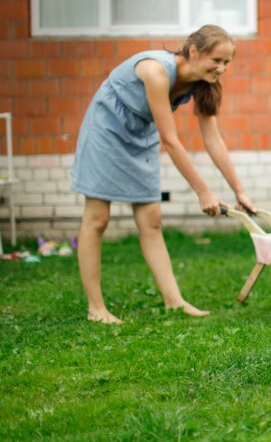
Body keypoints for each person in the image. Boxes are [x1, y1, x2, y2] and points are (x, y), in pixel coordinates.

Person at [71, 24, 255, 324]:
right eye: (216, 60)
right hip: (106, 130)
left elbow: (214, 140)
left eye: (226, 63)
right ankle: (96, 309)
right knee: (97, 220)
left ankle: (174, 301)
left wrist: (239, 191)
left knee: (151, 221)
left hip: (140, 134)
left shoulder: (203, 83)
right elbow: (171, 141)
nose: (221, 68)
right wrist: (203, 191)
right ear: (194, 51)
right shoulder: (156, 71)